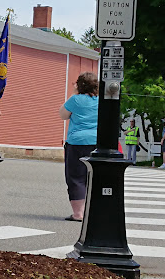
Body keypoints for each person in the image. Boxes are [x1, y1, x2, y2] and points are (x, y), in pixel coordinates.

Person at [59, 72, 98, 222]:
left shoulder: (75, 99)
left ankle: (78, 214)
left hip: (77, 142)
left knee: (76, 177)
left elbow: (62, 115)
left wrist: (75, 93)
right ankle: (94, 211)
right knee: (94, 177)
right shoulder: (101, 101)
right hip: (96, 142)